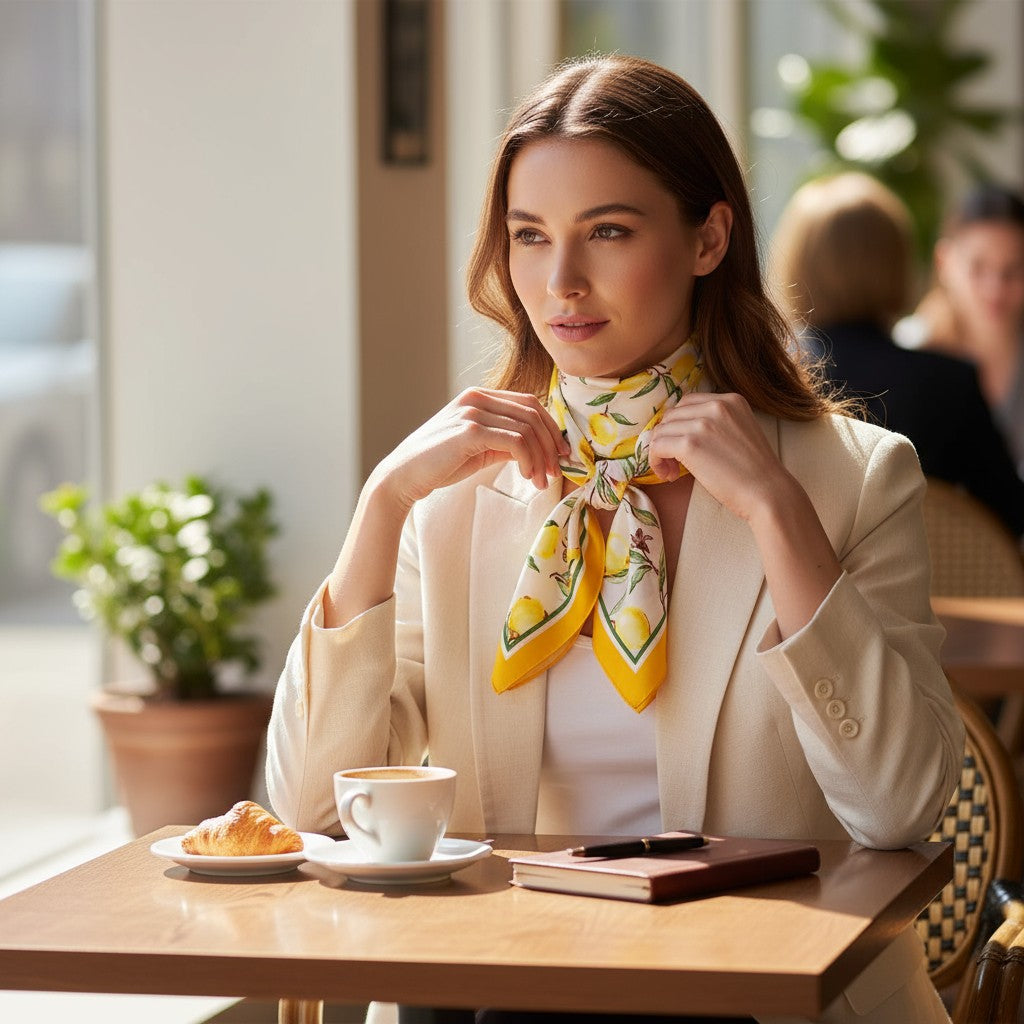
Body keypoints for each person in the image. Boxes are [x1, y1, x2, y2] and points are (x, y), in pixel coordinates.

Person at [267, 55, 963, 1024]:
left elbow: (900, 808)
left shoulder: (853, 477)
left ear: (708, 237)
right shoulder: (452, 496)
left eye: (607, 231)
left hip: (753, 1001)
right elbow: (307, 810)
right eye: (530, 236)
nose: (561, 282)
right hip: (490, 996)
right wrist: (381, 505)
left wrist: (778, 513)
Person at [770, 171, 1024, 537]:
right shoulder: (949, 383)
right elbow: (1011, 514)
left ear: (796, 262)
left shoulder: (768, 376)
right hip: (926, 572)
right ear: (897, 263)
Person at [894, 184, 1024, 476]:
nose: (995, 289)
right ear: (945, 262)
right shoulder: (911, 347)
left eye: (1014, 270)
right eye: (978, 267)